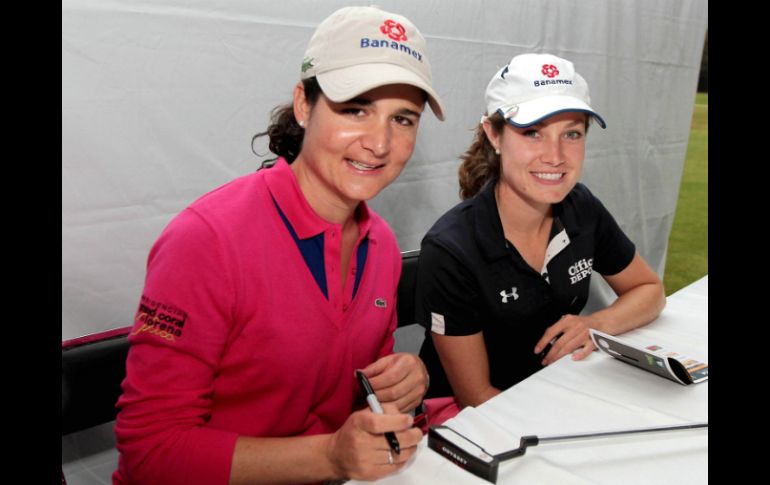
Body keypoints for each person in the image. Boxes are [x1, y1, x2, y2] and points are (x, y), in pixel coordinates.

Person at [113, 6, 445, 484]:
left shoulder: (384, 246)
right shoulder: (207, 241)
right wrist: (330, 456)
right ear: (304, 105)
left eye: (404, 119)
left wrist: (399, 380)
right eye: (356, 109)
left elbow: (348, 395)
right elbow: (151, 452)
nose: (379, 142)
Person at [415, 53, 666, 409]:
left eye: (572, 134)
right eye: (533, 133)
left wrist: (596, 323)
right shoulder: (452, 249)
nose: (556, 156)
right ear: (494, 135)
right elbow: (477, 399)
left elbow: (649, 289)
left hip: (554, 390)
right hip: (474, 418)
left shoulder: (582, 206)